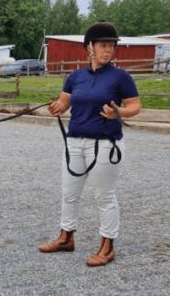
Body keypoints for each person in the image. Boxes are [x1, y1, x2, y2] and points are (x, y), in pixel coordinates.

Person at [38, 22, 141, 266]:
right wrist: (57, 107)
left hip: (105, 143)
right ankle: (66, 237)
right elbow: (65, 103)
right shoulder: (76, 77)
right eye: (103, 45)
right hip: (74, 141)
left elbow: (135, 106)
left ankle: (107, 246)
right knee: (69, 193)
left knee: (104, 195)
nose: (108, 50)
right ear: (90, 48)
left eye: (111, 46)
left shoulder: (120, 77)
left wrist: (119, 113)